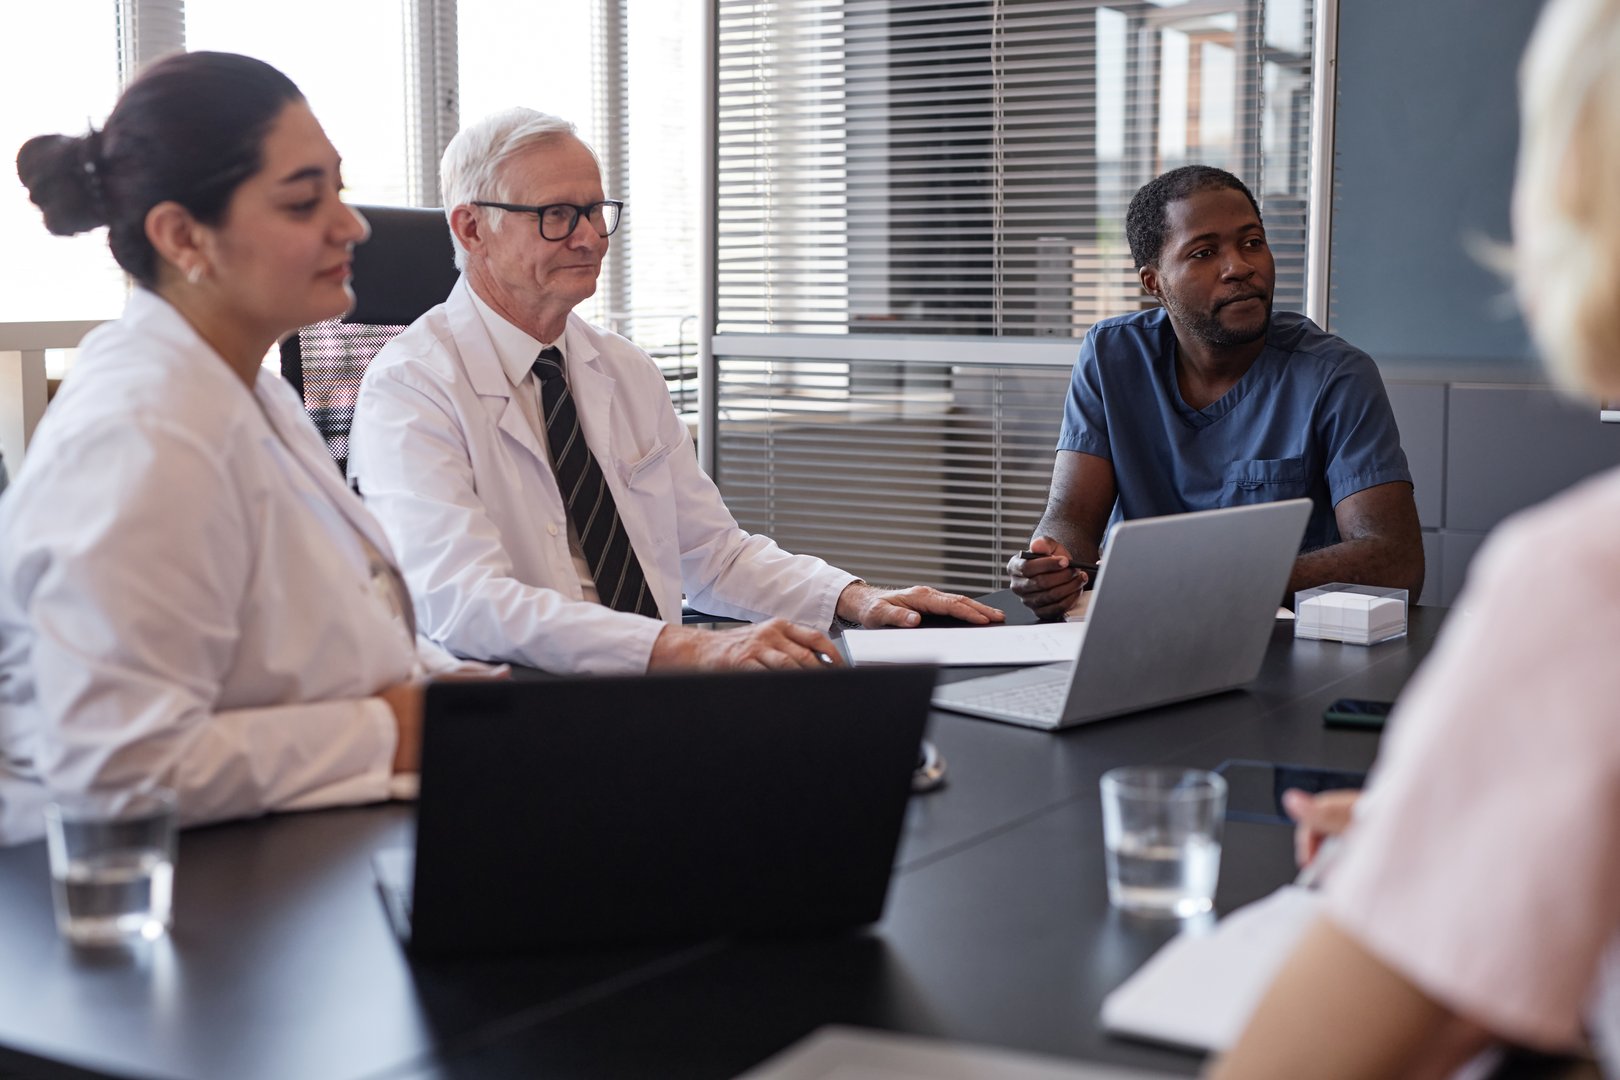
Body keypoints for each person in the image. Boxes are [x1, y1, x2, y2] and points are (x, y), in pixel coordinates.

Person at [1213, 0, 1620, 1074]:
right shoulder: (1111, 362)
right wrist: (1468, 846)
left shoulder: (1590, 582)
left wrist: (1431, 890)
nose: (1238, 267)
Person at [347, 108, 1001, 676]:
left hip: (654, 688)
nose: (590, 237)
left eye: (596, 210)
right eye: (556, 215)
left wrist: (853, 599)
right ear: (470, 230)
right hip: (521, 705)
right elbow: (464, 601)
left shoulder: (623, 369)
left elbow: (708, 551)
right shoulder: (411, 389)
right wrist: (690, 650)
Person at [0, 52, 460, 846]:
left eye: (339, 190)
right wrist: (395, 731)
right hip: (134, 910)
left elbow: (321, 631)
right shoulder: (141, 432)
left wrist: (467, 705)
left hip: (279, 858)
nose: (350, 225)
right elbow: (118, 768)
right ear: (183, 235)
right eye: (302, 202)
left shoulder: (248, 388)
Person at [1010, 166, 1424, 620]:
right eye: (1205, 252)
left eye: (1252, 242)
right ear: (1155, 284)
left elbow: (1394, 562)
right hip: (1136, 631)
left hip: (1280, 648)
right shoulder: (1112, 357)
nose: (1240, 267)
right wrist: (1052, 565)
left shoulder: (1334, 376)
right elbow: (1070, 516)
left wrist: (1199, 576)